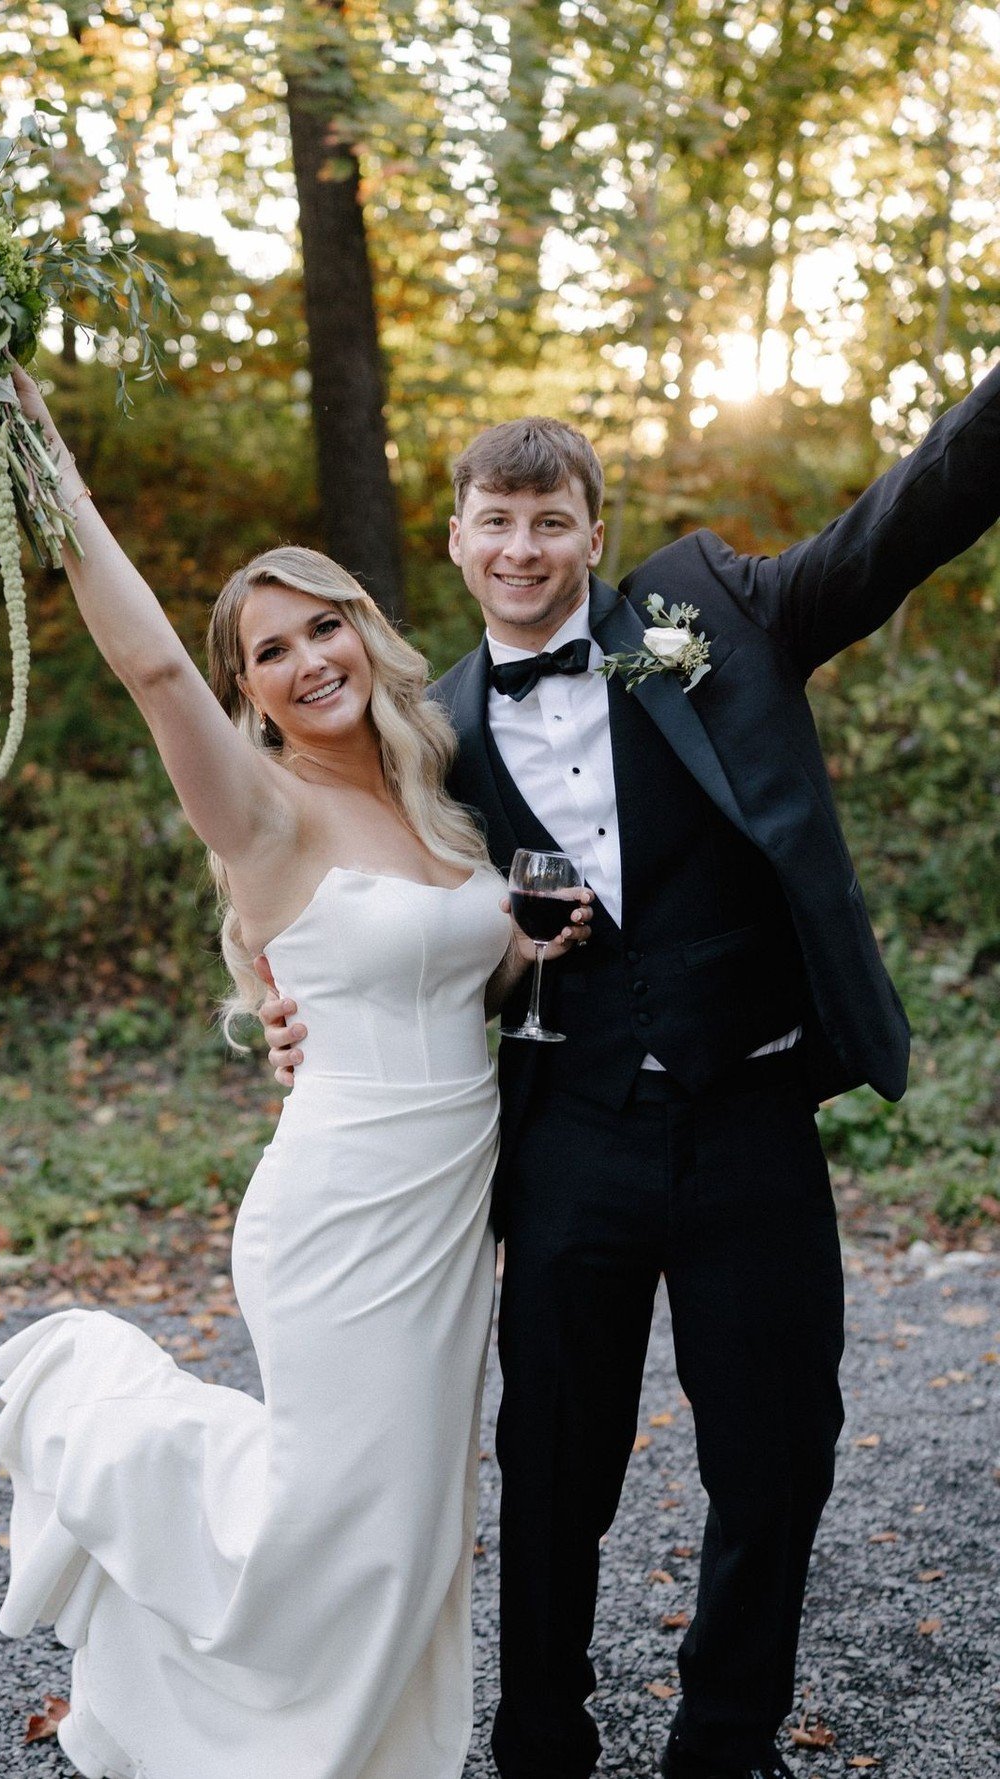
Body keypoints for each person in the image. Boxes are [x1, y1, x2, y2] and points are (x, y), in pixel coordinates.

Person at [263, 367, 1000, 1779]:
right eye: (498, 522)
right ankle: (543, 1742)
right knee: (551, 1469)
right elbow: (316, 878)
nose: (524, 549)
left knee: (778, 1457)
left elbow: (905, 519)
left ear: (593, 534)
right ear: (461, 538)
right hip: (567, 1135)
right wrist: (289, 1012)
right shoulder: (432, 739)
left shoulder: (712, 615)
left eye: (552, 520)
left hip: (751, 1115)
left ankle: (726, 1743)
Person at [0, 366, 593, 1779]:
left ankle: (378, 1752)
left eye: (325, 624)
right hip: (339, 1207)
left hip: (450, 1203)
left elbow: (460, 976)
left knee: (420, 1519)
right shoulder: (264, 812)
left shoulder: (432, 794)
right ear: (247, 687)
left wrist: (529, 948)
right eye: (270, 650)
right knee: (329, 1508)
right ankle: (99, 1433)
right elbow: (145, 667)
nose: (307, 658)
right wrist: (51, 475)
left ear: (368, 632)